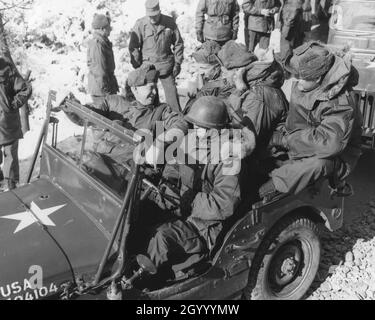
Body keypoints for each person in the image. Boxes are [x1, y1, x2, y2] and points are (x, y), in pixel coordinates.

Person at [145, 96, 254, 282]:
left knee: (161, 239)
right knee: (140, 210)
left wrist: (188, 200)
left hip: (205, 226)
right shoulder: (191, 141)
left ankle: (145, 283)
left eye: (204, 129)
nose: (198, 132)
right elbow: (173, 171)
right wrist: (161, 190)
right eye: (195, 126)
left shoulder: (229, 157)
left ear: (219, 130)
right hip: (181, 207)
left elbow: (224, 204)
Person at [260, 41, 363, 199]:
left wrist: (285, 140)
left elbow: (329, 144)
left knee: (318, 165)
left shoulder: (340, 102)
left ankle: (274, 186)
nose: (297, 81)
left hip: (335, 155)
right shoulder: (307, 83)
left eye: (302, 78)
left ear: (318, 78)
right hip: (300, 141)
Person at [128, 0, 184, 113]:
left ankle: (177, 124)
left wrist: (177, 63)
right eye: (150, 16)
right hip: (148, 67)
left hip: (166, 66)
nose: (152, 18)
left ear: (159, 12)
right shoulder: (141, 24)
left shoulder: (169, 22)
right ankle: (157, 126)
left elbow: (178, 43)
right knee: (151, 99)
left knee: (172, 98)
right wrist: (137, 65)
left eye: (155, 15)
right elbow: (133, 46)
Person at [0, 58, 32, 191]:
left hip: (8, 123)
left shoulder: (6, 67)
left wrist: (12, 105)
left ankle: (12, 191)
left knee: (11, 160)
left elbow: (25, 89)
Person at [87, 13, 119, 105]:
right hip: (102, 91)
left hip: (104, 87)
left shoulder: (102, 42)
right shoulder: (98, 45)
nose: (110, 29)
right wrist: (106, 91)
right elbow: (99, 71)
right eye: (108, 27)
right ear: (102, 29)